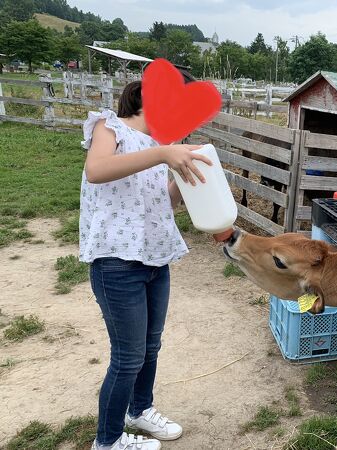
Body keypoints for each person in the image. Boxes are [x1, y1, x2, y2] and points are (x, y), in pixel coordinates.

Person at [81, 72, 210, 450]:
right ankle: (106, 441)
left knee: (150, 346)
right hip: (116, 263)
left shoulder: (159, 145)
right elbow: (97, 170)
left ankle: (140, 410)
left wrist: (186, 180)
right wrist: (163, 153)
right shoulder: (110, 126)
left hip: (155, 260)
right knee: (128, 356)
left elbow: (162, 204)